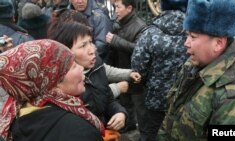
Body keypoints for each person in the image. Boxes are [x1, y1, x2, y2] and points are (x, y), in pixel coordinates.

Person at [157, 0, 235, 140]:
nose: (186, 43)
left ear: (218, 43)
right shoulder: (195, 62)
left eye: (193, 37)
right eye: (187, 35)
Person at [0, 39, 104, 141]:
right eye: (73, 66)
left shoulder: (16, 117)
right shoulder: (81, 132)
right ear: (53, 81)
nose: (81, 68)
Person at [47, 19, 131, 131]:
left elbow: (107, 98)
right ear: (64, 51)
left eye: (90, 42)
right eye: (83, 46)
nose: (92, 50)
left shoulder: (97, 65)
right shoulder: (61, 85)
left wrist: (120, 112)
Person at [131, 0, 188, 140]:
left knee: (150, 134)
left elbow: (137, 68)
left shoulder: (150, 33)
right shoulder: (193, 33)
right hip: (184, 100)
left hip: (155, 99)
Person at [106, 0, 147, 133]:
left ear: (129, 8)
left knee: (139, 108)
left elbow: (139, 49)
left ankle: (142, 132)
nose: (115, 10)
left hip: (134, 74)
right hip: (120, 72)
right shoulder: (118, 23)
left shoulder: (141, 26)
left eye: (118, 7)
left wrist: (116, 41)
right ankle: (127, 127)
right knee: (124, 104)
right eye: (114, 7)